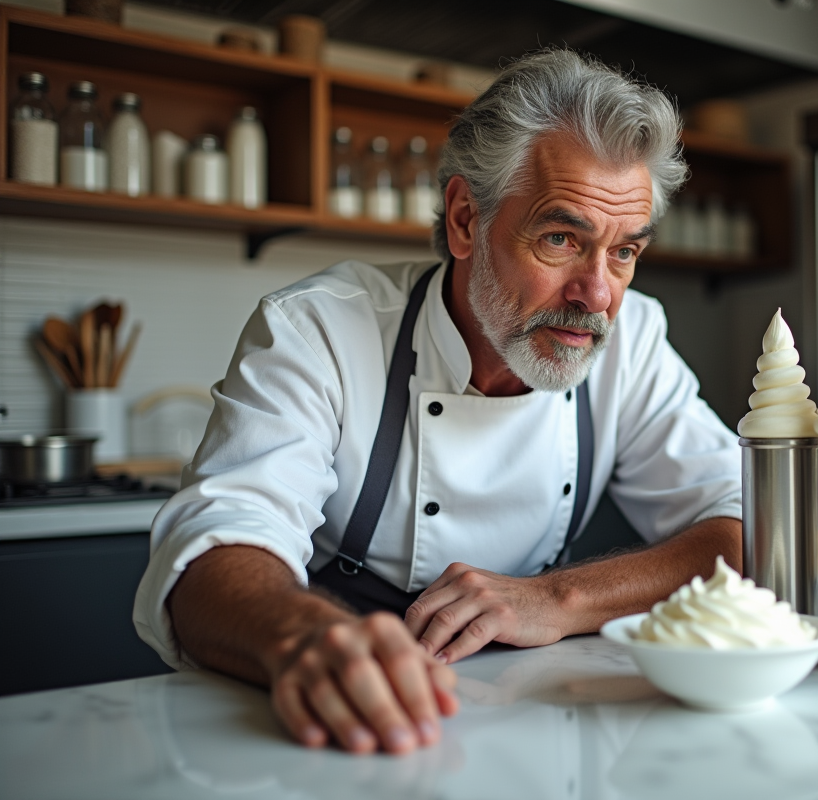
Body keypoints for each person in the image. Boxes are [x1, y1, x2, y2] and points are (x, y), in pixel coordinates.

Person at [133, 49, 742, 756]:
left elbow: (749, 526)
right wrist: (304, 637)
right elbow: (215, 548)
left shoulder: (631, 342)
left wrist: (558, 600)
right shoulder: (321, 329)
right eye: (560, 239)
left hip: (537, 718)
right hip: (343, 722)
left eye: (624, 252)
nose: (598, 295)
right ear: (464, 220)